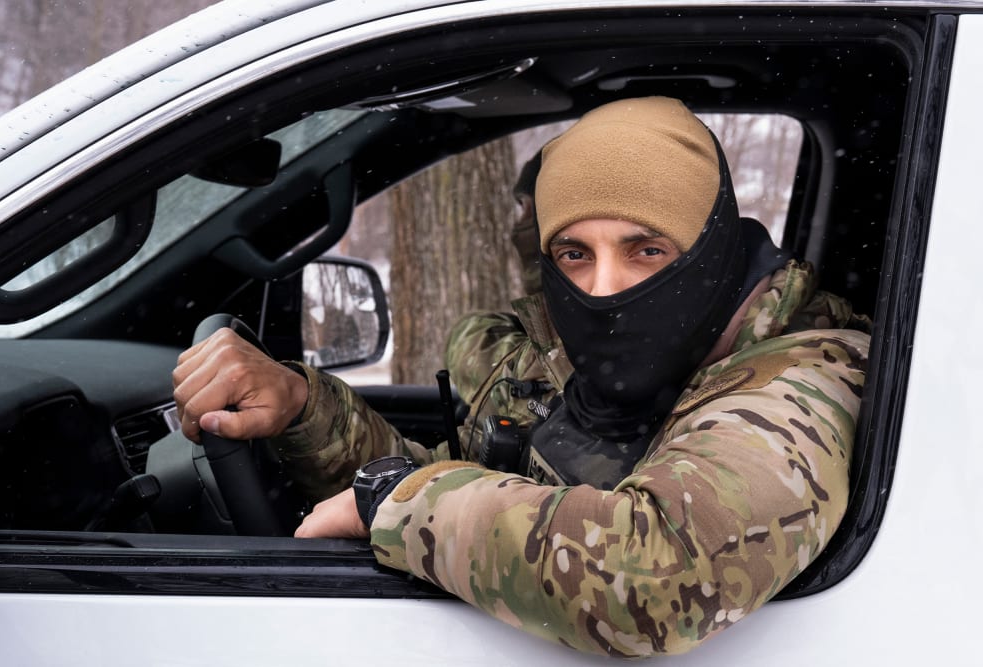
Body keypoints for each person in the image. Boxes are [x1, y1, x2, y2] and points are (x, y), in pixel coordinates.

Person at [173, 96, 870, 658]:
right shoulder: (598, 365)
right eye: (573, 253)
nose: (603, 289)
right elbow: (474, 493)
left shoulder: (805, 378)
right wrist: (303, 407)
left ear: (710, 250)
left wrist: (401, 505)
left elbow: (656, 578)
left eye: (646, 250)